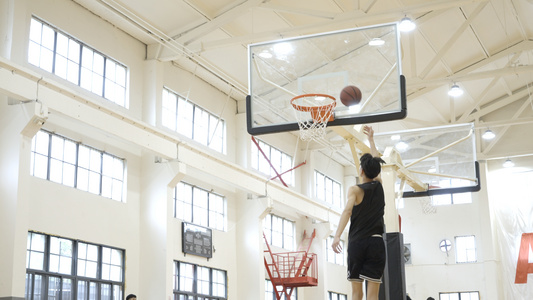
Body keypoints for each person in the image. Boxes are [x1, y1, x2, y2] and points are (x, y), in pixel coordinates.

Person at [332, 125, 386, 300]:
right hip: (376, 243)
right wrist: (371, 140)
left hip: (357, 243)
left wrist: (337, 236)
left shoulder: (354, 190)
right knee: (372, 296)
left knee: (356, 294)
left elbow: (347, 211)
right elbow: (376, 163)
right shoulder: (379, 186)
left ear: (361, 171)